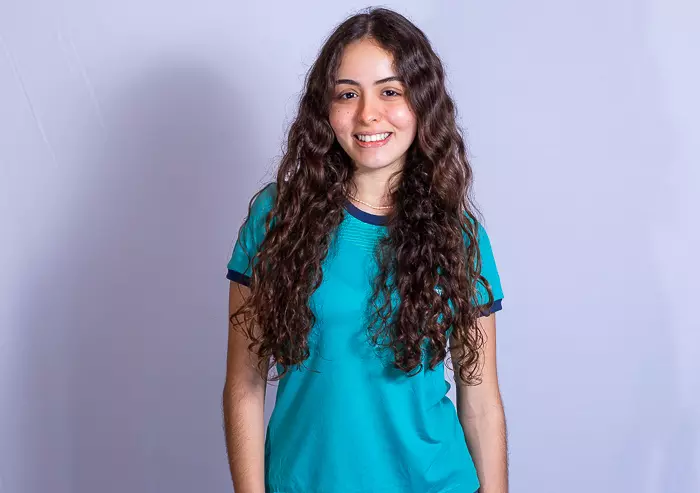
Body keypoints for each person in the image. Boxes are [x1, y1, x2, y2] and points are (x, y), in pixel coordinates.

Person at [223, 7, 507, 493]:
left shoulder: (459, 236)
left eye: (390, 91)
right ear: (325, 109)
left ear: (422, 103)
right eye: (348, 94)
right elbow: (244, 385)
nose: (368, 114)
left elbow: (480, 399)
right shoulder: (276, 219)